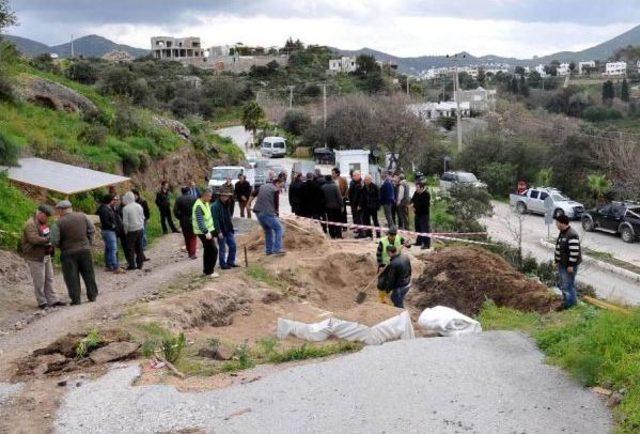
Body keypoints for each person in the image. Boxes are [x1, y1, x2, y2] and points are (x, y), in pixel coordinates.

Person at [50, 200, 98, 305]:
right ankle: (92, 295)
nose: (58, 212)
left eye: (58, 210)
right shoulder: (83, 216)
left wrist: (60, 246)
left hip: (68, 253)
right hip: (85, 250)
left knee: (71, 277)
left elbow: (54, 240)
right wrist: (88, 241)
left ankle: (76, 299)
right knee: (89, 274)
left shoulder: (58, 223)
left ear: (62, 210)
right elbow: (92, 229)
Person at [21, 205, 65, 309]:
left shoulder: (44, 223)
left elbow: (47, 234)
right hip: (35, 256)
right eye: (46, 216)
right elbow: (34, 239)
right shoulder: (30, 224)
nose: (47, 218)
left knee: (49, 278)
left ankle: (53, 300)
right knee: (39, 280)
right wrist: (49, 239)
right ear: (39, 213)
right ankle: (42, 302)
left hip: (46, 254)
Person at [554, 214, 581, 308]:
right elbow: (559, 248)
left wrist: (571, 265)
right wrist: (557, 260)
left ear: (562, 223)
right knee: (564, 284)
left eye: (557, 222)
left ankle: (571, 305)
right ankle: (567, 301)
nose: (556, 224)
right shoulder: (563, 232)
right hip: (562, 264)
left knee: (568, 285)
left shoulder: (572, 234)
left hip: (568, 266)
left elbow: (574, 252)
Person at [253, 178, 285, 256]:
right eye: (280, 186)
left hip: (257, 212)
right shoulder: (275, 190)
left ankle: (269, 251)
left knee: (268, 231)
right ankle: (277, 249)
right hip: (267, 213)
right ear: (277, 183)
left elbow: (253, 194)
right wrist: (276, 214)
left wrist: (248, 204)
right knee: (279, 228)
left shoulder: (262, 186)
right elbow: (276, 204)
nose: (280, 189)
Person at [192, 188, 219, 278]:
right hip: (203, 232)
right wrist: (206, 232)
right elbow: (200, 221)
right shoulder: (199, 206)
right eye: (210, 196)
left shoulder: (205, 203)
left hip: (207, 231)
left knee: (208, 250)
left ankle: (206, 271)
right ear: (205, 195)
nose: (211, 198)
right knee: (214, 250)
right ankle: (209, 272)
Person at [97, 194, 123, 273]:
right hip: (109, 231)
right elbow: (106, 222)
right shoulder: (104, 209)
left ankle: (109, 265)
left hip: (107, 231)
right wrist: (114, 226)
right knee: (113, 249)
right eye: (112, 199)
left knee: (108, 249)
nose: (114, 201)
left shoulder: (106, 208)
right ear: (109, 200)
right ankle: (115, 267)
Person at [212, 192, 238, 269]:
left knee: (233, 245)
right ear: (220, 196)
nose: (226, 197)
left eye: (227, 196)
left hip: (228, 229)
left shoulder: (227, 203)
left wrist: (231, 228)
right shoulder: (215, 206)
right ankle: (222, 264)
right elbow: (215, 220)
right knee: (222, 248)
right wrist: (218, 231)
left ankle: (231, 262)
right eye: (224, 196)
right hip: (221, 230)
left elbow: (229, 216)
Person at [122, 191, 146, 270]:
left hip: (131, 230)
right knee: (139, 247)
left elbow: (125, 222)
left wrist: (126, 231)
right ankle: (140, 264)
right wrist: (141, 226)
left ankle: (132, 265)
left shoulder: (125, 208)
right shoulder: (139, 206)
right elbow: (142, 217)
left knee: (130, 248)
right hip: (140, 228)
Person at [174, 186, 198, 259]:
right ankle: (192, 253)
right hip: (193, 219)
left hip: (183, 220)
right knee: (193, 237)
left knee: (186, 236)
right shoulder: (194, 198)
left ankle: (189, 251)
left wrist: (180, 217)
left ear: (182, 191)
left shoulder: (179, 199)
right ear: (189, 191)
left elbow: (175, 211)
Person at [321, 174, 343, 239]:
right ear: (331, 179)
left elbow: (322, 198)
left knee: (330, 221)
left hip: (328, 207)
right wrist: (342, 205)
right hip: (336, 207)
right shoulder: (335, 186)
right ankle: (338, 235)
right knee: (337, 221)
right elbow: (339, 197)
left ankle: (332, 235)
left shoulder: (323, 187)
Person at [411, 182, 431, 249]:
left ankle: (426, 244)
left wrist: (415, 206)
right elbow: (412, 200)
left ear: (422, 188)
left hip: (424, 214)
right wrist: (412, 204)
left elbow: (423, 204)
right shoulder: (416, 193)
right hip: (417, 214)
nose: (416, 189)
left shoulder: (426, 194)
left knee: (424, 229)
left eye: (418, 188)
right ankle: (418, 241)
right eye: (416, 187)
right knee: (417, 228)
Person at [132, 189, 150, 256]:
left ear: (136, 194)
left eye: (134, 195)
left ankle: (144, 245)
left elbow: (147, 210)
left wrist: (147, 218)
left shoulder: (143, 201)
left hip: (143, 219)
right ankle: (140, 245)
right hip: (136, 219)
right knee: (140, 233)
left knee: (143, 232)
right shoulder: (132, 202)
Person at [348, 171, 365, 238]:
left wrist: (360, 205)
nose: (353, 177)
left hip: (358, 205)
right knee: (357, 219)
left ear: (359, 175)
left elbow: (362, 196)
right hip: (354, 203)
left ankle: (362, 234)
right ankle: (359, 231)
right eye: (353, 175)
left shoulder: (360, 183)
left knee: (359, 219)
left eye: (355, 175)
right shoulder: (354, 183)